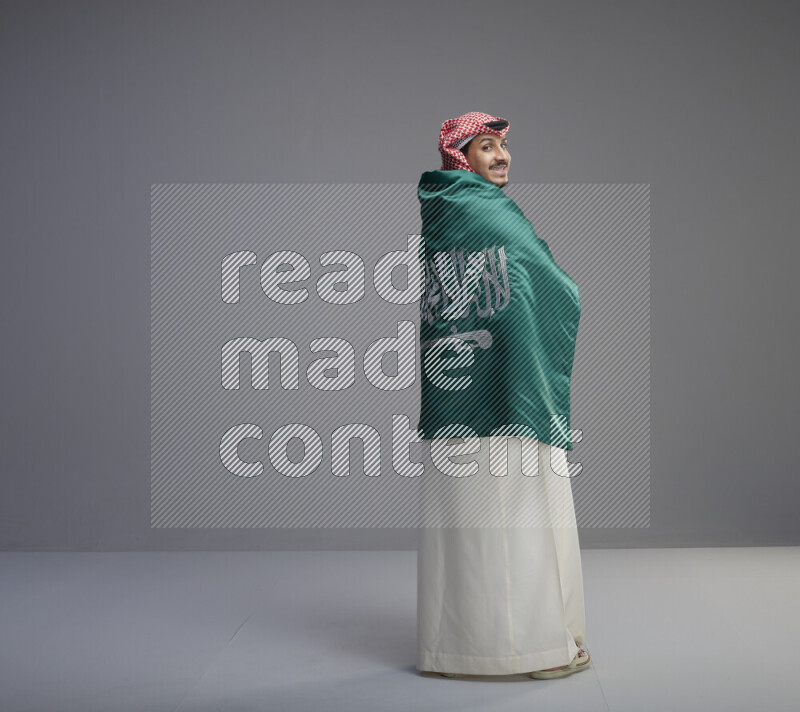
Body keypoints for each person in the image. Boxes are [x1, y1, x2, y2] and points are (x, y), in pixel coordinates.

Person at [416, 111, 590, 679]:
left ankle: (456, 649)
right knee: (518, 514)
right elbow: (544, 279)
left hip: (457, 390)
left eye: (504, 147)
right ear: (459, 156)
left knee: (469, 522)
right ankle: (532, 649)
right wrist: (567, 293)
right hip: (508, 389)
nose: (502, 157)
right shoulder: (483, 210)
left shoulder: (443, 209)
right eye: (486, 147)